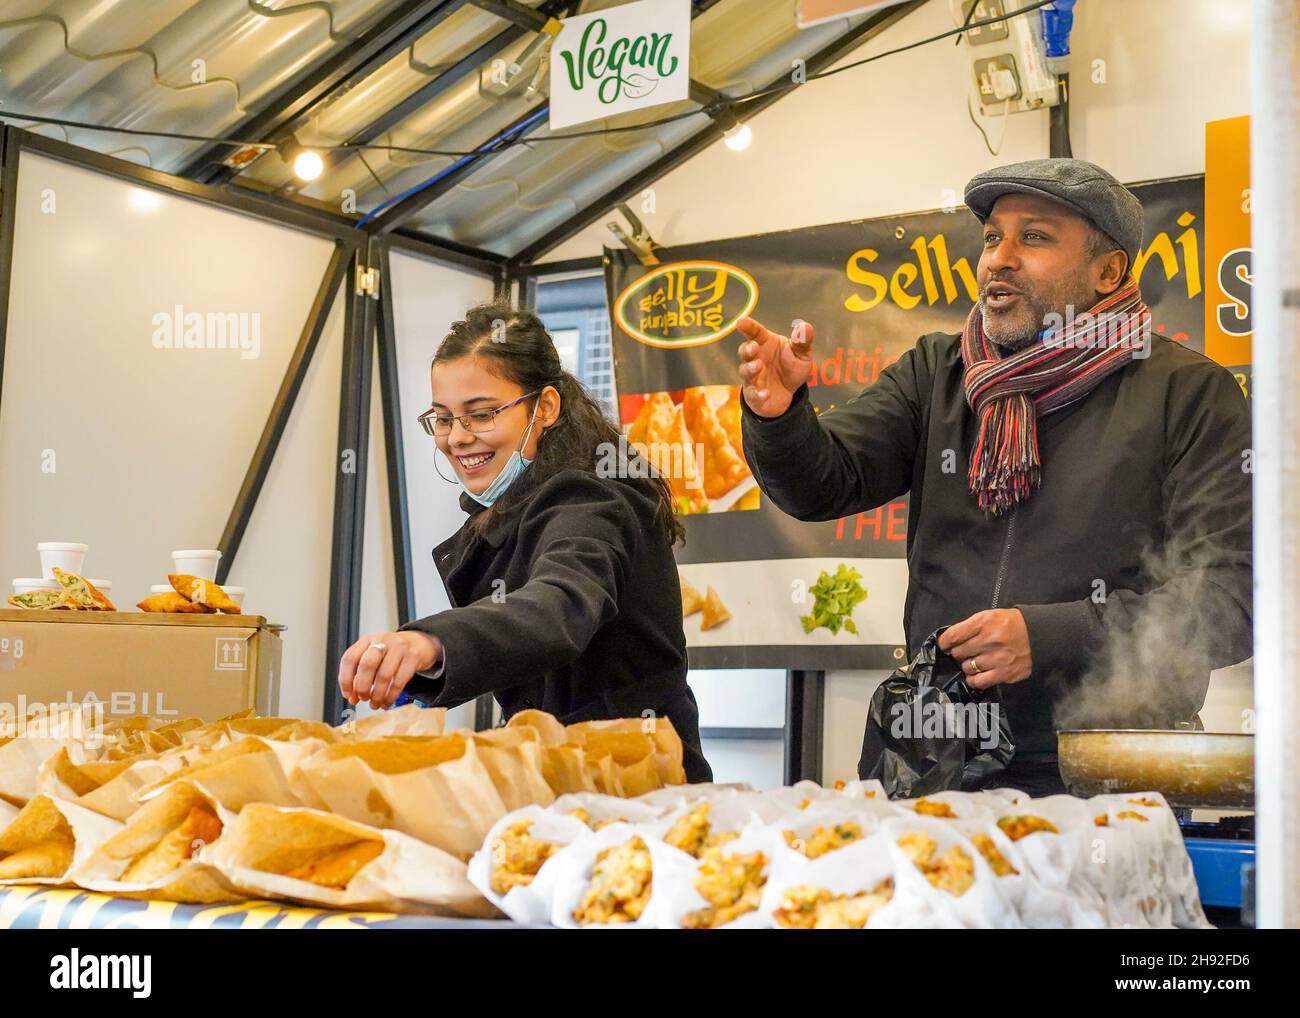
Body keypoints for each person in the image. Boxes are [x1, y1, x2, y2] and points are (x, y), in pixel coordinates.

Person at [736, 158, 1252, 795]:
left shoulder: (1188, 392)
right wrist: (781, 415)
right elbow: (824, 484)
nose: (998, 258)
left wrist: (1052, 636)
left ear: (1108, 270)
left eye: (1032, 237)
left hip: (1109, 771)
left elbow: (1232, 600)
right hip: (937, 763)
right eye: (991, 237)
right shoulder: (937, 372)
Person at [338, 302, 712, 783]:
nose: (458, 438)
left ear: (547, 407)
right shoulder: (515, 503)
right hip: (563, 779)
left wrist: (432, 640)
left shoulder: (592, 498)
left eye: (481, 414)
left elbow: (558, 604)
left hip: (640, 783)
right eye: (444, 419)